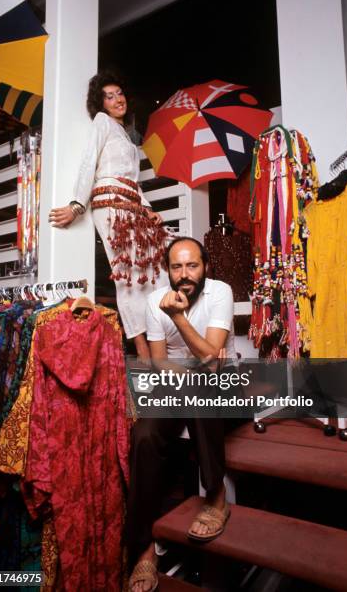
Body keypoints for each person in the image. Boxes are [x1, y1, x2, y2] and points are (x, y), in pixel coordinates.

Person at [127, 236, 236, 592]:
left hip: (223, 384)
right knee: (143, 436)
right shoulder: (152, 300)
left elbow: (211, 356)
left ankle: (216, 496)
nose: (184, 274)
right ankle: (144, 549)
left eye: (192, 266)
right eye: (177, 267)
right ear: (167, 271)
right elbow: (159, 361)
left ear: (205, 267)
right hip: (178, 382)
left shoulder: (220, 292)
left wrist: (178, 316)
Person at [49, 71, 169, 359]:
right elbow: (89, 160)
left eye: (120, 93)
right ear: (100, 103)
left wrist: (149, 209)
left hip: (133, 204)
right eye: (109, 96)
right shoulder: (102, 123)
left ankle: (159, 344)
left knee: (154, 272)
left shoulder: (128, 138)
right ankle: (142, 351)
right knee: (127, 275)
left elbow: (134, 182)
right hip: (110, 203)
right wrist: (77, 204)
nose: (118, 100)